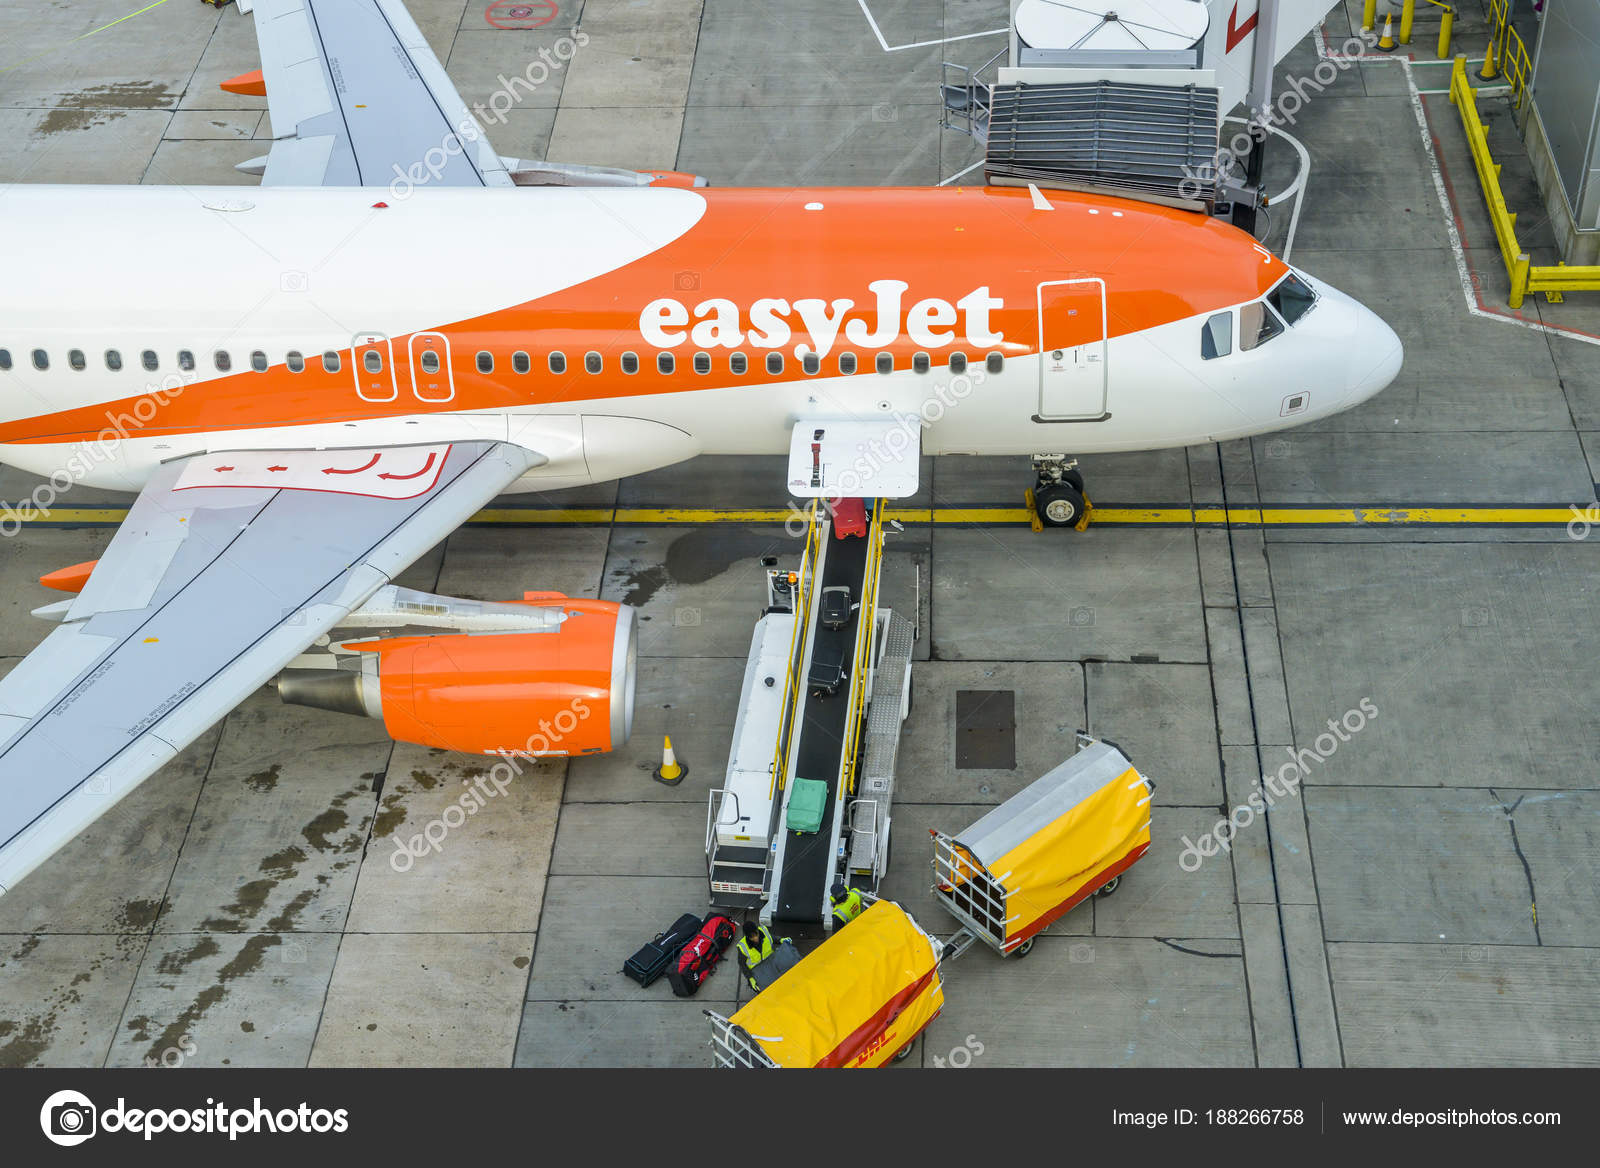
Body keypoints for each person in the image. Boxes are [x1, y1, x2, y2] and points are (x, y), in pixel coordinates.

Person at [736, 920, 789, 992]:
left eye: (756, 934)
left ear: (757, 930)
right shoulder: (742, 947)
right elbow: (742, 964)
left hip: (770, 963)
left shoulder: (764, 931)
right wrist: (750, 978)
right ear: (747, 937)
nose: (755, 938)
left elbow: (771, 938)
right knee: (763, 990)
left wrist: (781, 940)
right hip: (757, 970)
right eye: (751, 937)